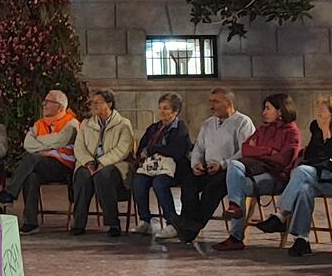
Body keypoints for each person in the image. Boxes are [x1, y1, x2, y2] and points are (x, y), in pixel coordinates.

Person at [271, 96, 332, 257]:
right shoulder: (316, 127)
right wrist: (323, 136)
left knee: (301, 173)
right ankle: (302, 239)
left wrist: (327, 133)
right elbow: (313, 154)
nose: (318, 114)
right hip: (320, 173)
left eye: (322, 110)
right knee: (304, 189)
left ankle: (281, 214)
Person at [211, 93, 302, 251]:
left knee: (236, 185)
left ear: (280, 111)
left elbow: (283, 159)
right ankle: (235, 209)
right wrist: (269, 151)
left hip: (276, 177)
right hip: (256, 172)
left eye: (268, 108)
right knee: (234, 166)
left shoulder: (291, 132)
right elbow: (246, 149)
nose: (263, 112)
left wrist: (260, 152)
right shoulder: (263, 130)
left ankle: (235, 236)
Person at [0, 90, 80, 234]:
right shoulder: (39, 123)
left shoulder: (71, 123)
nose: (44, 105)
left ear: (59, 106)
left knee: (31, 158)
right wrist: (50, 145)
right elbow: (28, 143)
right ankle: (30, 222)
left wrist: (43, 145)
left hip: (63, 166)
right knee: (31, 176)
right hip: (42, 164)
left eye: (48, 102)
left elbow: (61, 140)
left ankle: (10, 193)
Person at [178, 88, 255, 242]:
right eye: (210, 101)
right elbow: (198, 148)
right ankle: (189, 224)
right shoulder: (208, 123)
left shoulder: (242, 122)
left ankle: (192, 226)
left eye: (216, 101)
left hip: (228, 170)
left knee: (213, 189)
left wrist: (222, 165)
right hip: (207, 168)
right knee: (188, 183)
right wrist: (196, 163)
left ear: (228, 103)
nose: (211, 106)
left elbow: (245, 151)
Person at [128, 93, 193, 239]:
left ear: (175, 111)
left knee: (159, 183)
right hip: (152, 167)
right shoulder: (153, 128)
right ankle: (145, 220)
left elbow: (177, 151)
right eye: (160, 108)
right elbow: (142, 147)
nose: (162, 111)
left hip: (173, 168)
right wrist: (143, 153)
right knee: (138, 181)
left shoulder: (180, 128)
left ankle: (172, 222)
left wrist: (154, 149)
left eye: (166, 108)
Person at [69, 90, 133, 237]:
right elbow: (79, 147)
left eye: (98, 102)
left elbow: (123, 149)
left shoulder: (123, 124)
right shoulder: (87, 124)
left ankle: (113, 223)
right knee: (82, 175)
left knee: (103, 175)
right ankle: (79, 223)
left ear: (109, 104)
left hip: (114, 165)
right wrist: (89, 162)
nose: (94, 105)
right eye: (93, 102)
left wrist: (102, 162)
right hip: (89, 164)